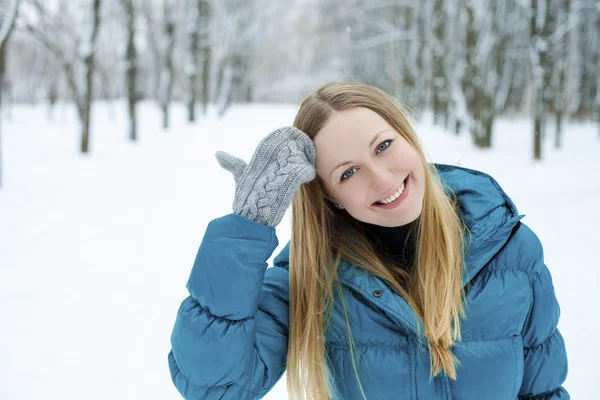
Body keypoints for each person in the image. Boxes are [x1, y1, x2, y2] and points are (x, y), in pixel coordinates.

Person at [167, 82, 569, 399]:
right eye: (348, 173)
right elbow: (214, 388)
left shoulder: (509, 250)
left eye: (384, 146)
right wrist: (246, 227)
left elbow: (543, 392)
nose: (381, 178)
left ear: (406, 134)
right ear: (330, 198)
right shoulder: (313, 277)